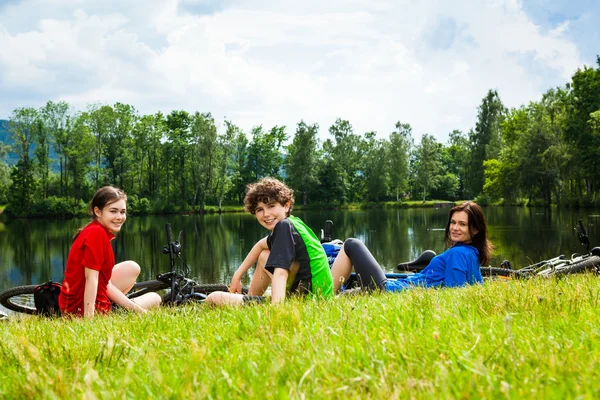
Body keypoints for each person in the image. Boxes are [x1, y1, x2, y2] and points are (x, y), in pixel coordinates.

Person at [205, 177, 334, 306]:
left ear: (286, 205)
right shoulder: (293, 223)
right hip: (319, 297)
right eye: (259, 209)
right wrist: (237, 276)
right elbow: (260, 246)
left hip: (308, 302)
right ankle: (252, 299)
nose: (266, 214)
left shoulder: (283, 227)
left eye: (271, 206)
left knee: (213, 298)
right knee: (263, 256)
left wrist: (277, 309)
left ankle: (263, 303)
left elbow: (281, 273)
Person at [331, 201, 492, 293]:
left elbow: (454, 292)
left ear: (475, 229)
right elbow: (476, 286)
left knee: (352, 244)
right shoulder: (473, 253)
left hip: (390, 291)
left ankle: (325, 295)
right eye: (453, 222)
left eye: (462, 224)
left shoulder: (457, 254)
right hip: (402, 286)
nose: (455, 228)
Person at [58, 186, 161, 317]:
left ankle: (120, 307)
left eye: (123, 212)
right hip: (85, 310)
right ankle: (113, 311)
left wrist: (135, 308)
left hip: (71, 307)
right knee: (155, 298)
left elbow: (105, 283)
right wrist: (88, 320)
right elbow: (91, 278)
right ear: (98, 211)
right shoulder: (96, 233)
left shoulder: (92, 229)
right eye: (113, 211)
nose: (119, 217)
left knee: (132, 268)